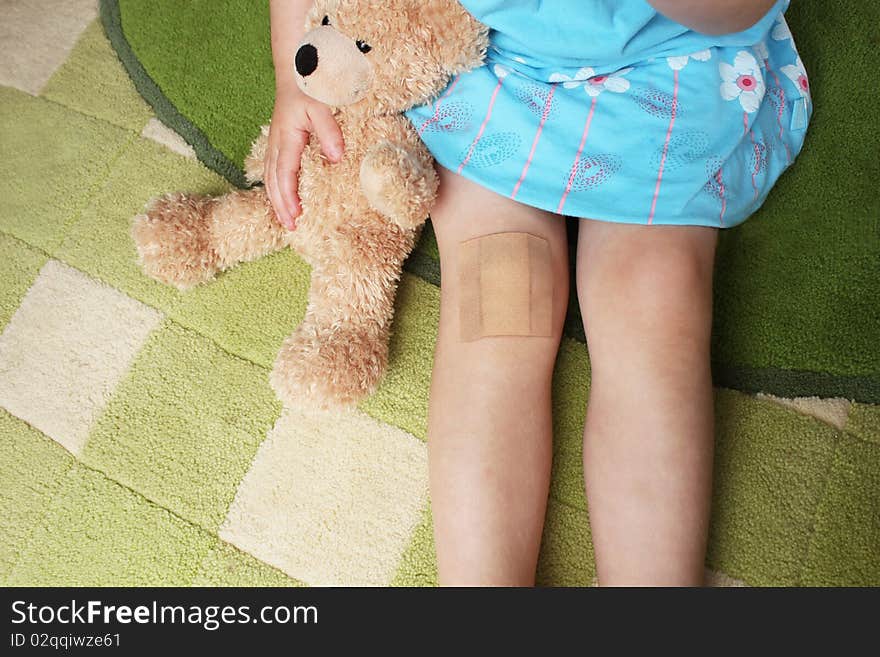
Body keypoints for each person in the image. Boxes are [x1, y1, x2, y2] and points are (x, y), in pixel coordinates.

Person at [265, 0, 811, 586]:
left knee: (654, 307)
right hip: (485, 61)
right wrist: (288, 72)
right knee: (498, 302)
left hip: (671, 66)